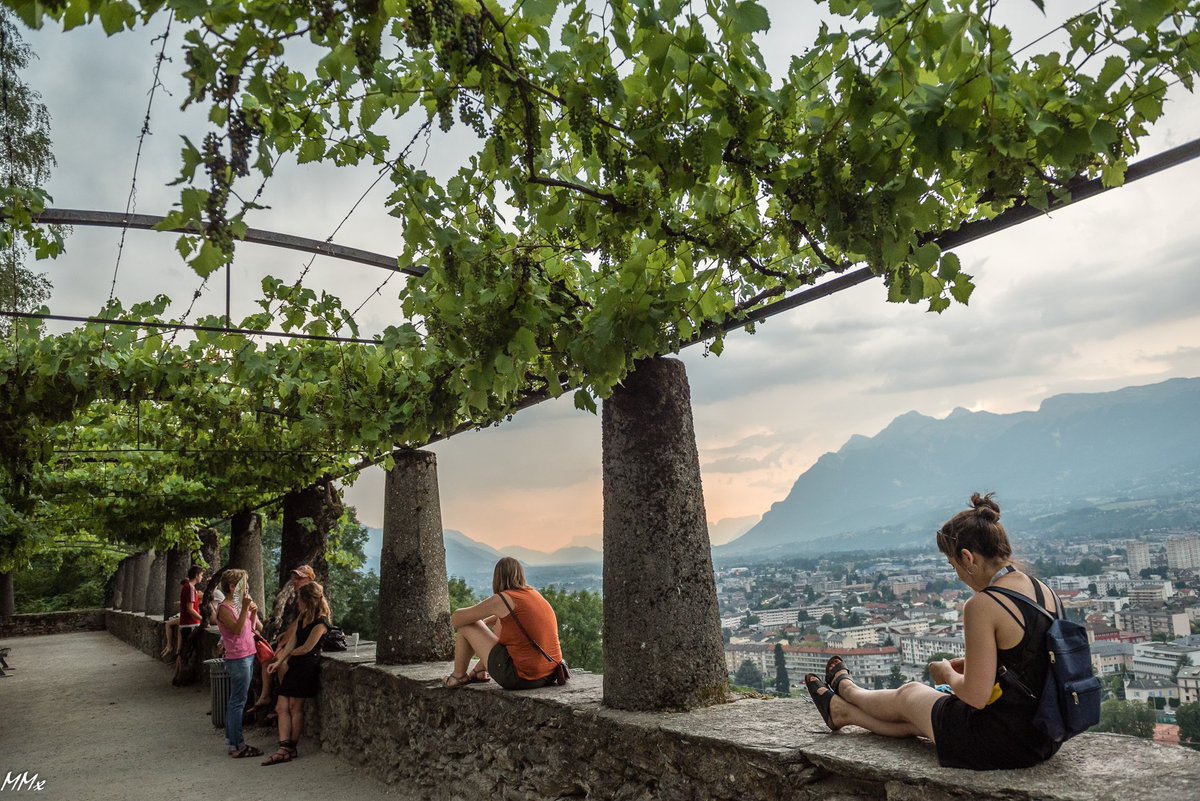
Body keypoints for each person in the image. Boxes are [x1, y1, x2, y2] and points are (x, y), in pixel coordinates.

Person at [804, 493, 1062, 770]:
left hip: (999, 740)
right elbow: (1027, 659)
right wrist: (971, 665)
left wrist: (946, 674)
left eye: (953, 566)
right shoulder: (1042, 590)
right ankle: (841, 712)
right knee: (916, 716)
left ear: (967, 557)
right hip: (1043, 736)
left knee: (910, 694)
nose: (958, 576)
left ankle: (848, 692)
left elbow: (975, 695)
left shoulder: (984, 605)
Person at [444, 557, 563, 691]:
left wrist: (479, 622)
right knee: (505, 624)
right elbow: (513, 618)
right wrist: (487, 622)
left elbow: (456, 620)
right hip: (550, 674)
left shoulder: (502, 600)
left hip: (522, 678)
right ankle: (480, 671)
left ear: (497, 578)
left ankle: (458, 676)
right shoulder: (534, 595)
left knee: (467, 626)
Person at [261, 582, 331, 766]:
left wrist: (288, 656)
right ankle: (284, 747)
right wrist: (279, 661)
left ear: (308, 600)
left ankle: (290, 747)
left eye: (299, 599)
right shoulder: (303, 616)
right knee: (281, 706)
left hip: (307, 666)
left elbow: (307, 648)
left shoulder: (321, 623)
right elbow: (292, 642)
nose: (297, 602)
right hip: (295, 664)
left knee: (294, 707)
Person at [215, 569, 263, 759]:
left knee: (237, 700)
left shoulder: (235, 606)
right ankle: (238, 746)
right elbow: (235, 630)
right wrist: (244, 608)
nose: (248, 589)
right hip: (238, 658)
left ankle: (233, 741)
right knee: (238, 702)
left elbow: (248, 629)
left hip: (247, 654)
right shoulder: (225, 608)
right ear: (232, 587)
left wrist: (252, 613)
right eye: (244, 585)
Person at [171, 566, 205, 685]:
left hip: (185, 624)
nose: (201, 577)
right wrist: (202, 619)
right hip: (190, 624)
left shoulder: (187, 587)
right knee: (186, 652)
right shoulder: (190, 588)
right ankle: (180, 678)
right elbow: (190, 609)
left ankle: (178, 677)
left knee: (183, 652)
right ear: (196, 575)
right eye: (201, 575)